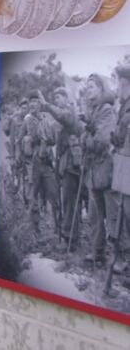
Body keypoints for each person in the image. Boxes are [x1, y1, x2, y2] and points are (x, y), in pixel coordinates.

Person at [81, 73, 118, 267]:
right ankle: (97, 253)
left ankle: (119, 258)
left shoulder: (106, 110)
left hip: (106, 171)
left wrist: (87, 139)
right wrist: (86, 137)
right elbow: (82, 138)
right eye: (87, 87)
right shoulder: (91, 111)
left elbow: (102, 140)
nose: (88, 90)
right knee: (95, 217)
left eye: (92, 87)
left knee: (113, 217)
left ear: (102, 89)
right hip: (93, 172)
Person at [39, 88, 83, 245]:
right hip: (65, 165)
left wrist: (47, 105)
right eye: (55, 98)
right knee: (69, 203)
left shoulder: (69, 112)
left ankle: (69, 238)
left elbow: (62, 116)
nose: (56, 100)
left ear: (65, 97)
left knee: (69, 203)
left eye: (58, 97)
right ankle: (71, 236)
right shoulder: (61, 118)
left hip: (72, 167)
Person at [20, 92, 59, 237]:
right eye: (31, 102)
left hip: (47, 163)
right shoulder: (26, 120)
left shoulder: (46, 119)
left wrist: (46, 140)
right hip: (32, 165)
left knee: (54, 196)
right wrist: (27, 144)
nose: (33, 104)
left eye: (36, 101)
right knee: (33, 199)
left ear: (40, 104)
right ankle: (35, 231)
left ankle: (58, 230)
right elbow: (19, 140)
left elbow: (54, 140)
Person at [109, 63, 130, 274]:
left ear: (125, 84)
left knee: (128, 213)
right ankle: (124, 259)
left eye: (119, 84)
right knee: (124, 212)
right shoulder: (123, 107)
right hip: (124, 167)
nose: (117, 89)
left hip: (127, 166)